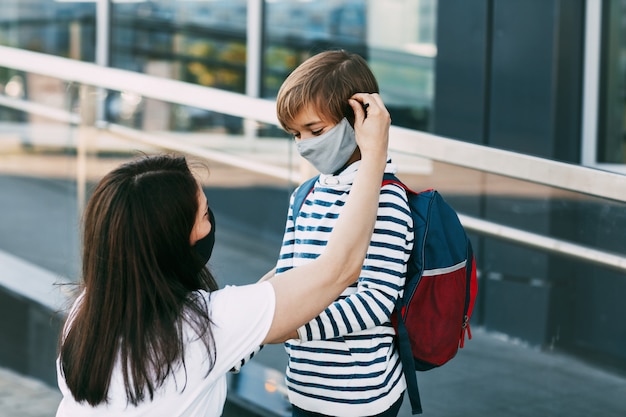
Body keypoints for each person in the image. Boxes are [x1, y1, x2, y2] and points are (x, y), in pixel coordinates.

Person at [55, 92, 390, 417]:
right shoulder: (203, 327)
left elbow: (263, 302)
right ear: (172, 241)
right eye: (203, 214)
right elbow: (341, 268)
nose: (210, 219)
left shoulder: (86, 313)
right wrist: (374, 153)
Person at [269, 50, 414, 417]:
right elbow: (287, 278)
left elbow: (376, 300)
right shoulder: (306, 194)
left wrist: (291, 329)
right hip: (302, 388)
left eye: (315, 131)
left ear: (359, 120)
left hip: (360, 398)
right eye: (295, 134)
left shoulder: (388, 199)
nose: (304, 144)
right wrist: (240, 337)